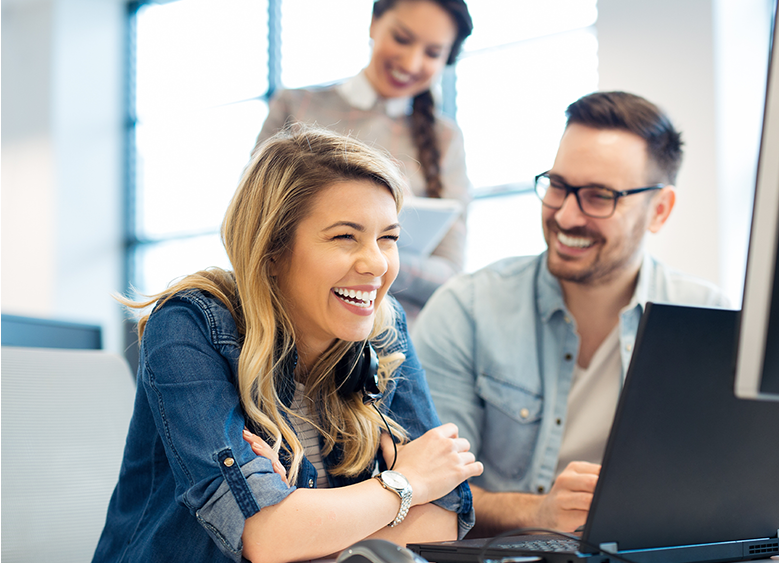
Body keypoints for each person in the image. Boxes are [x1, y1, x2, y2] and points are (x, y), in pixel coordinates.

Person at [92, 127, 483, 563]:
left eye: (387, 238)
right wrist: (406, 484)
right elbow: (267, 538)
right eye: (344, 237)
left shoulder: (383, 332)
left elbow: (442, 522)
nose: (376, 262)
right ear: (272, 251)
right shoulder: (189, 326)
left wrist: (300, 516)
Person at [411, 91, 730, 537]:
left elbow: (738, 491)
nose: (565, 214)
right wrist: (538, 512)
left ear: (659, 210)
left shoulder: (712, 321)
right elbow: (428, 494)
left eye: (599, 196)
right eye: (558, 186)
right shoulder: (465, 310)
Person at [257, 0, 474, 320]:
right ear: (374, 23)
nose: (412, 62)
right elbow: (252, 225)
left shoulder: (445, 140)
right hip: (293, 325)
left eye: (432, 53)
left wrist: (374, 256)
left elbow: (450, 275)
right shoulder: (296, 107)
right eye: (402, 39)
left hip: (395, 341)